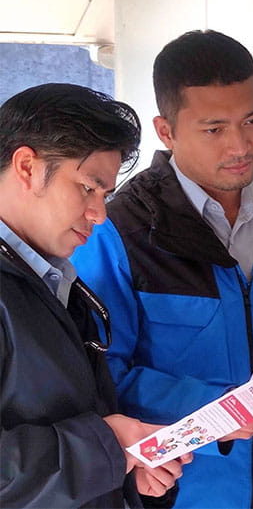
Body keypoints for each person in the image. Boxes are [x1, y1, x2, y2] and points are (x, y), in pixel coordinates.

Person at [71, 30, 253, 508]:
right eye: (214, 129)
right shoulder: (118, 232)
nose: (240, 145)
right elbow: (97, 376)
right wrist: (216, 410)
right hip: (175, 497)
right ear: (166, 131)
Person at [0, 83, 189, 507]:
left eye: (106, 194)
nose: (99, 215)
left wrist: (130, 475)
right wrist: (105, 448)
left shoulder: (62, 287)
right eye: (88, 187)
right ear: (27, 167)